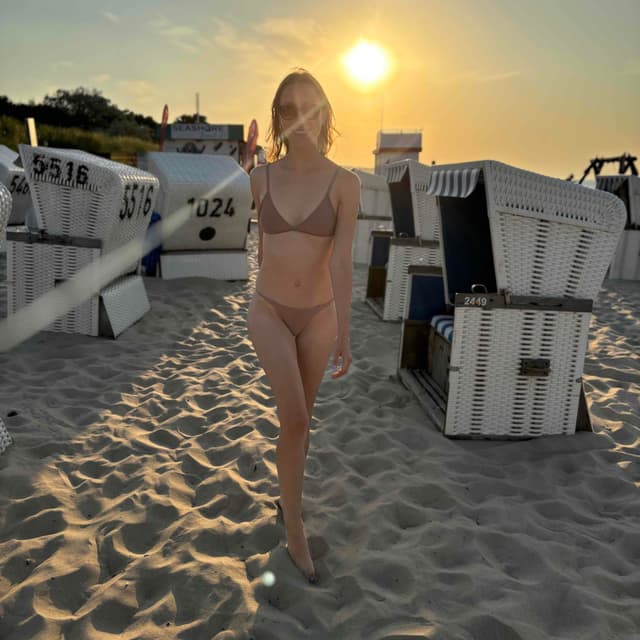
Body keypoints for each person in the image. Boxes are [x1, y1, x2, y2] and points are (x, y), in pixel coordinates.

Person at [246, 68, 361, 583]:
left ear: (325, 112)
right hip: (269, 311)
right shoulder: (260, 178)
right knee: (294, 419)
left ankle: (287, 497)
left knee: (302, 421)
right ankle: (294, 529)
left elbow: (341, 262)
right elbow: (264, 248)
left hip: (319, 317)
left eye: (309, 107)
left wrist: (344, 332)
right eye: (288, 109)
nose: (300, 117)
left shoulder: (346, 184)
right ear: (278, 117)